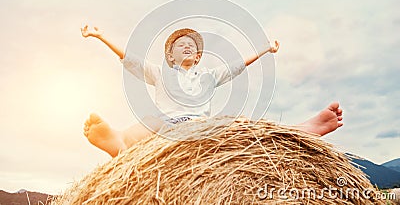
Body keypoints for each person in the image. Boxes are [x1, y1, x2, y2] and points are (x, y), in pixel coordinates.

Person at [81, 25, 343, 157]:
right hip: (166, 125)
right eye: (179, 45)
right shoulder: (160, 73)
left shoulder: (208, 76)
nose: (186, 47)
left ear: (197, 58)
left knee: (239, 123)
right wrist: (100, 36)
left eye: (191, 46)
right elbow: (131, 61)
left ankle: (297, 132)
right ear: (169, 57)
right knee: (148, 120)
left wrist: (265, 49)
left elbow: (238, 66)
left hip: (200, 125)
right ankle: (121, 142)